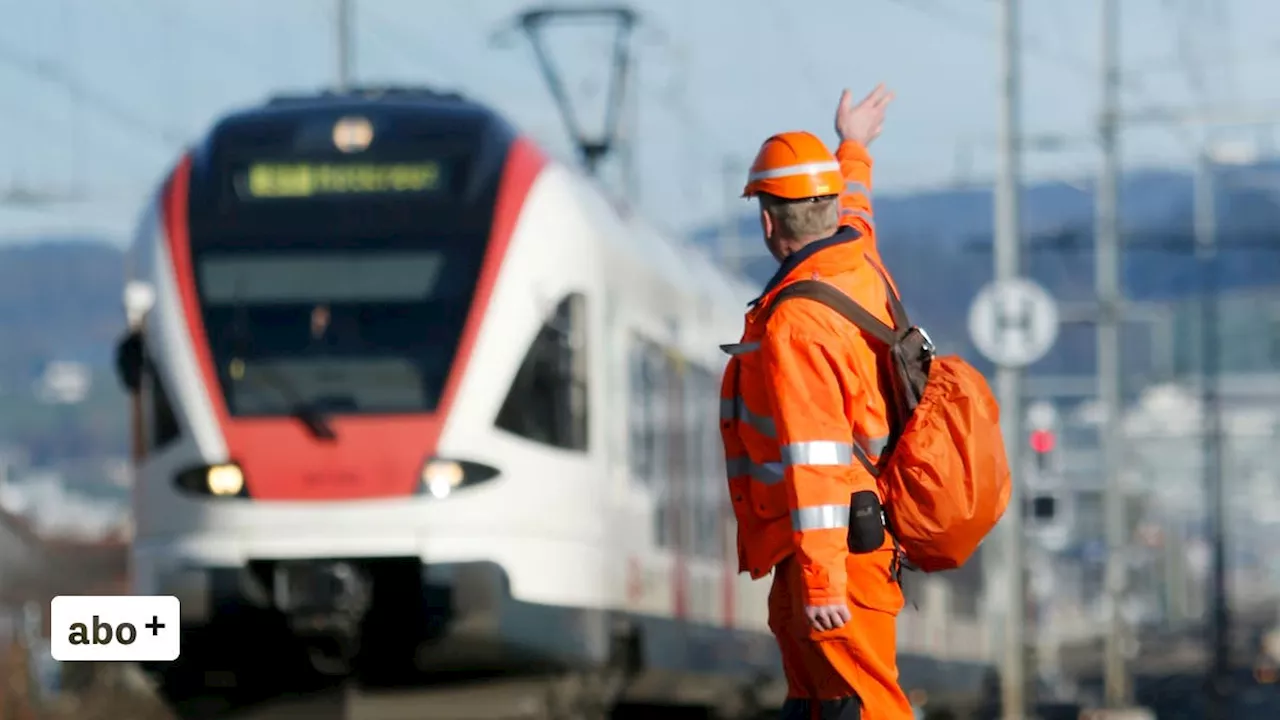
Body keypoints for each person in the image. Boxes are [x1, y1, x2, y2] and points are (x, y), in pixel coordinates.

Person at [718, 84, 912, 720]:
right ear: (826, 210)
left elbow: (817, 455)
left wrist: (823, 578)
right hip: (846, 541)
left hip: (835, 557)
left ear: (768, 221)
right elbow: (856, 206)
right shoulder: (857, 263)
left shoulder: (797, 322)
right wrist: (852, 146)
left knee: (859, 708)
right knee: (817, 707)